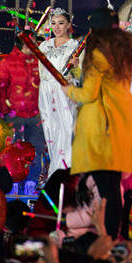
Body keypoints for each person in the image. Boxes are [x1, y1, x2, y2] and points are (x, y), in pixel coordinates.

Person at [59, 7, 132, 237]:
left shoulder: (99, 53)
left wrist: (69, 89)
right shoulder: (123, 52)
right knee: (112, 189)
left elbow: (89, 94)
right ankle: (114, 234)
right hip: (120, 125)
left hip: (101, 131)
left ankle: (109, 237)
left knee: (107, 191)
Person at [0, 37, 45, 191]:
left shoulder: (39, 61)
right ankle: (13, 181)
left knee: (36, 148)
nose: (36, 45)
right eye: (32, 43)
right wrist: (5, 110)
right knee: (13, 150)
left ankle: (31, 181)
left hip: (35, 114)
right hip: (15, 114)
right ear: (23, 44)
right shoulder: (8, 62)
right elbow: (0, 87)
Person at [38, 9, 79, 179]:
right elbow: (41, 72)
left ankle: (65, 174)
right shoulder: (44, 45)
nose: (57, 27)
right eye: (53, 23)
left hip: (65, 92)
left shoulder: (75, 46)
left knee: (66, 131)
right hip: (46, 92)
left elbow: (81, 74)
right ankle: (53, 174)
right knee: (51, 132)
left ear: (68, 25)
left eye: (61, 23)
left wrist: (76, 67)